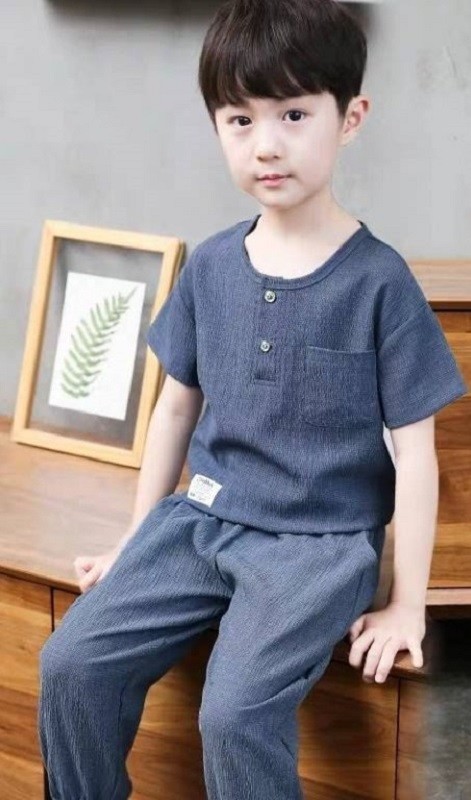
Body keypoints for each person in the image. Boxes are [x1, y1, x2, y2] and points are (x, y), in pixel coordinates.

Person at [37, 1, 469, 798]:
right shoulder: (209, 266)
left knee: (233, 715)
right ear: (217, 128)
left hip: (318, 545)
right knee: (69, 663)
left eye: (293, 114)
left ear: (350, 118)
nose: (266, 144)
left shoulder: (379, 283)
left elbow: (416, 456)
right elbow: (175, 408)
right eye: (240, 120)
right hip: (200, 521)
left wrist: (406, 605)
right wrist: (136, 538)